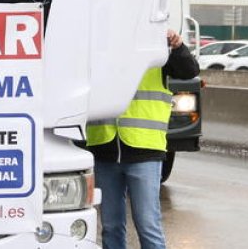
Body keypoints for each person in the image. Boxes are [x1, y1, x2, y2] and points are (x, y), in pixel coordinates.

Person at [85, 30, 199, 249]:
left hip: (144, 150)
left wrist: (178, 47)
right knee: (111, 227)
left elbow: (189, 71)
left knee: (148, 226)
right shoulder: (98, 50)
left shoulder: (156, 50)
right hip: (104, 148)